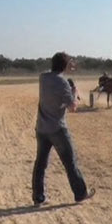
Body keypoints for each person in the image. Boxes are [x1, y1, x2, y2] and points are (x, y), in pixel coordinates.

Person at [32, 52, 94, 205]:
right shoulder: (63, 83)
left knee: (40, 164)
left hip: (42, 128)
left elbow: (53, 72)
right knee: (70, 162)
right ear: (65, 66)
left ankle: (38, 197)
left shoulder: (43, 77)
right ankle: (80, 193)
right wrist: (74, 92)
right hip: (57, 129)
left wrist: (66, 67)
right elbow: (72, 107)